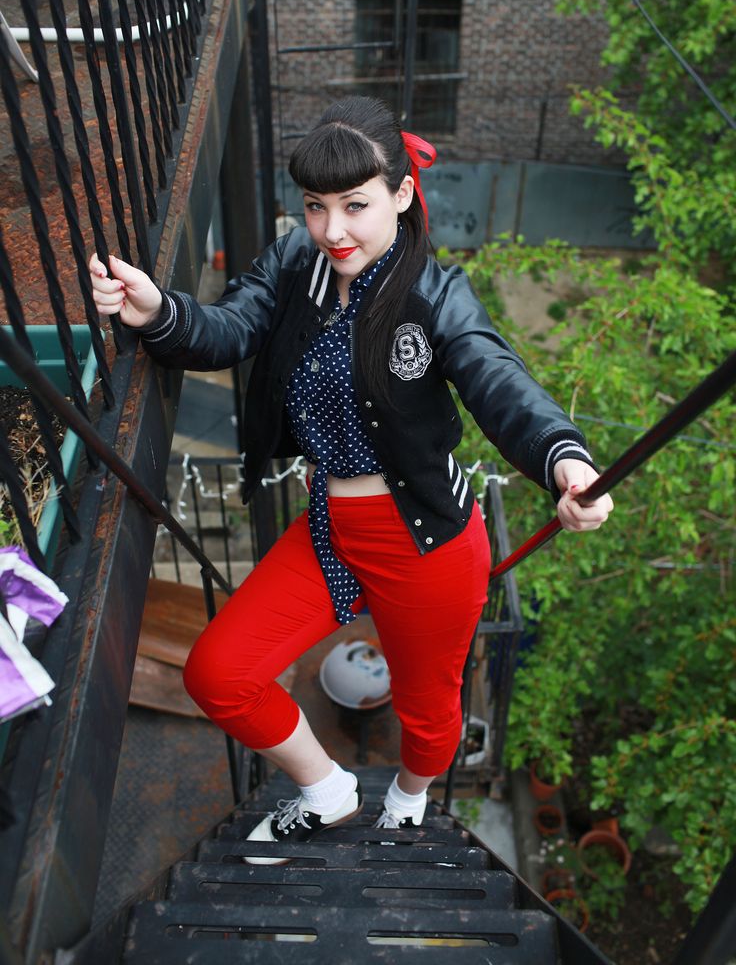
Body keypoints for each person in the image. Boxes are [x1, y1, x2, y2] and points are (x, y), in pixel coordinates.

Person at [89, 96, 613, 864]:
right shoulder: (296, 266)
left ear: (401, 196)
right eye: (316, 206)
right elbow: (229, 329)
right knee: (219, 672)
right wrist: (157, 310)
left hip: (426, 545)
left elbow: (500, 382)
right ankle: (328, 790)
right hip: (332, 530)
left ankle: (406, 805)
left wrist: (564, 460)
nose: (333, 230)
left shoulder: (436, 295)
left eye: (356, 206)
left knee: (429, 712)